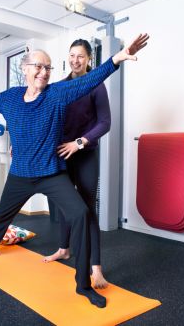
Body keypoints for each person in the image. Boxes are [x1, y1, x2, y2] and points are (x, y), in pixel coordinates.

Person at [0, 33, 149, 308]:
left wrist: (118, 58)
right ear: (25, 69)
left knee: (81, 214)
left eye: (48, 68)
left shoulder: (57, 94)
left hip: (51, 174)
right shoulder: (10, 98)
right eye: (38, 66)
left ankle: (83, 284)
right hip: (21, 174)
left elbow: (90, 80)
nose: (43, 72)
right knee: (2, 214)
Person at [43, 39, 110, 290]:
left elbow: (105, 123)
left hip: (85, 154)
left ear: (89, 59)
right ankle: (64, 249)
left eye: (81, 56)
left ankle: (96, 268)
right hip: (62, 154)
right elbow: (45, 118)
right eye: (72, 55)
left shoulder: (96, 85)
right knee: (64, 205)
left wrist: (79, 143)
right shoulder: (59, 87)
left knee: (87, 209)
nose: (75, 60)